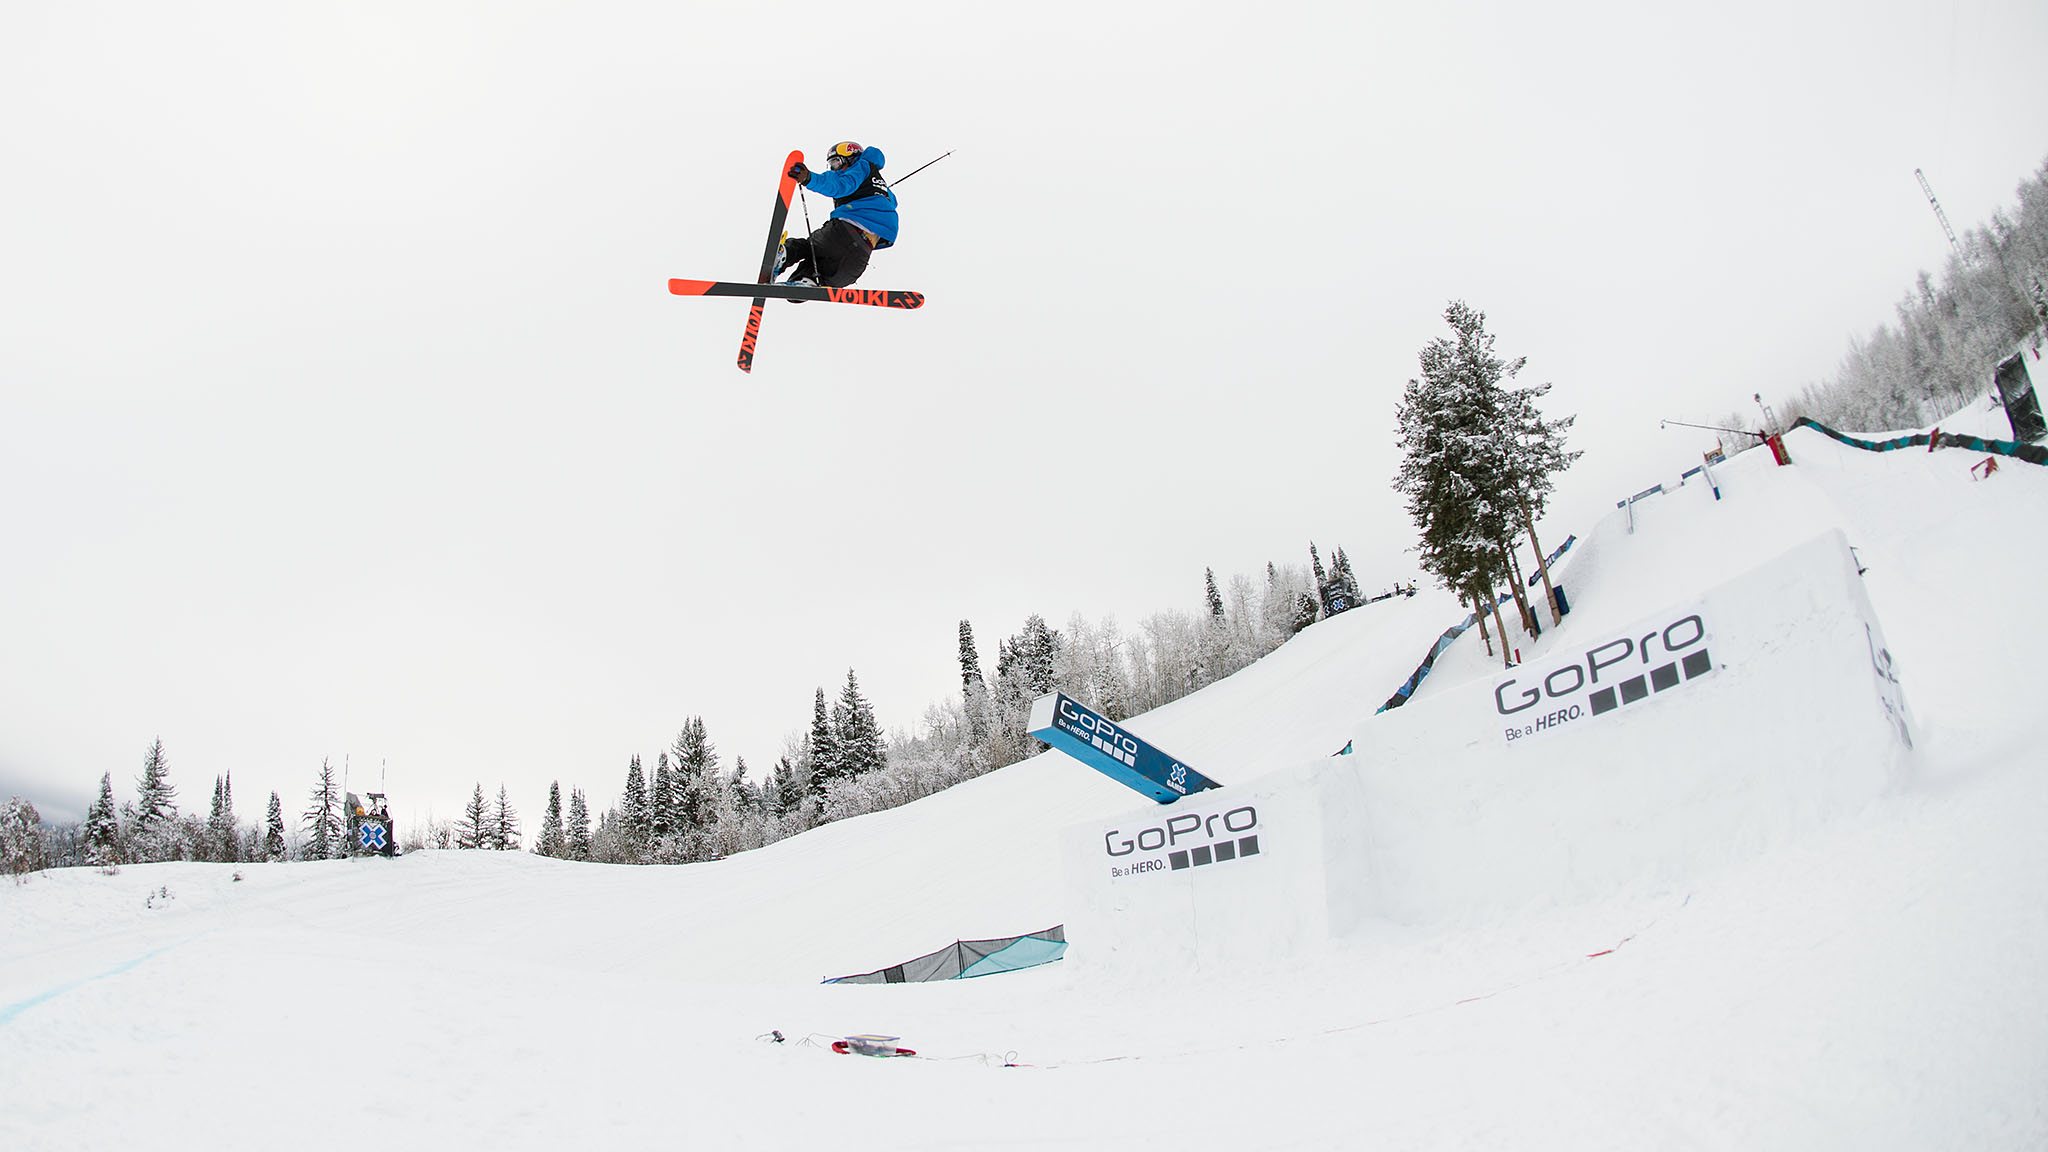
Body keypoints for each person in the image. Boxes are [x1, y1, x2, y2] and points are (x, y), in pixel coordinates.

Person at [777, 141, 898, 290]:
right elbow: (893, 203)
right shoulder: (883, 189)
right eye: (831, 165)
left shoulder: (860, 166)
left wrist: (809, 178)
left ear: (851, 158)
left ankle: (785, 254)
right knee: (818, 271)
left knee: (809, 247)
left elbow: (840, 184)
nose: (835, 170)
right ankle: (806, 281)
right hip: (858, 257)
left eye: (836, 163)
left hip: (844, 233)